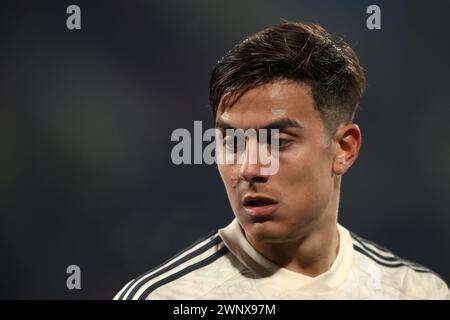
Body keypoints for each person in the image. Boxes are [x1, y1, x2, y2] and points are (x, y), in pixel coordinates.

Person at [114, 21, 450, 300]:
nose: (248, 169)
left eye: (277, 142)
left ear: (344, 149)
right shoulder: (168, 298)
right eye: (231, 141)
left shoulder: (417, 292)